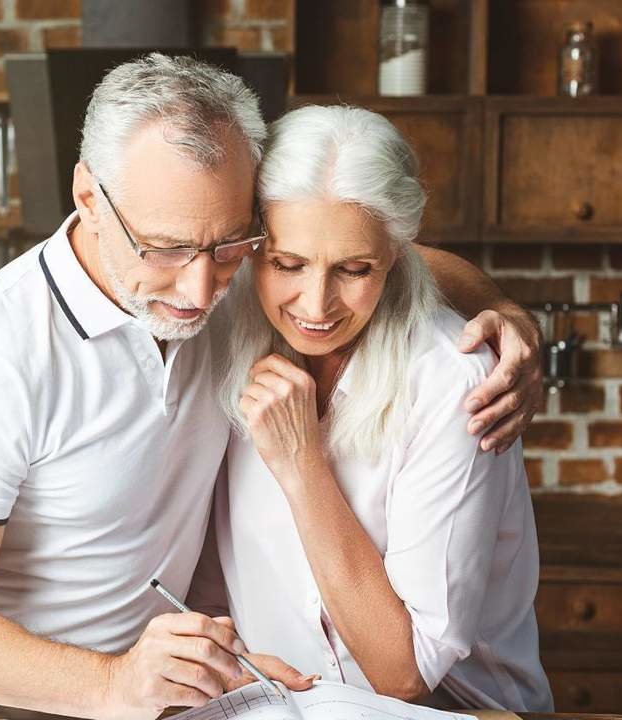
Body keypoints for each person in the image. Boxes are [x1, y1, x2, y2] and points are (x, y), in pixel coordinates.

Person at [0, 53, 544, 720]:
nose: (200, 289)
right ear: (89, 198)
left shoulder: (233, 289)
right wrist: (115, 684)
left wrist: (510, 313)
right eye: (166, 248)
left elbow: (359, 243)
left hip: (166, 704)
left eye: (231, 246)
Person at [200, 104, 553, 712]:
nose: (315, 303)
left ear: (395, 252)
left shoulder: (454, 380)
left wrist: (301, 463)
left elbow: (404, 674)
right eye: (287, 263)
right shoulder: (222, 319)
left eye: (354, 269)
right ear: (254, 247)